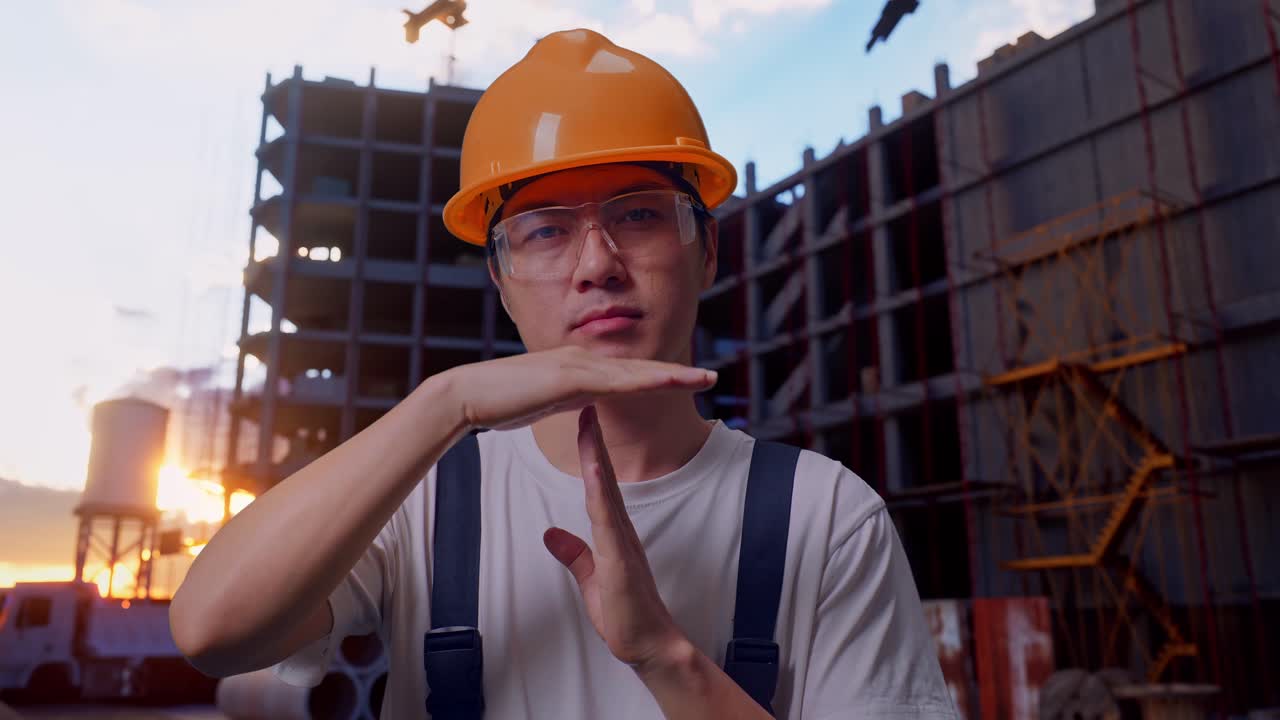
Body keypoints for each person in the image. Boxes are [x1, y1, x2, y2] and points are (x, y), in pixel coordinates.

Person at [170, 28, 958, 719]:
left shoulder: (827, 517)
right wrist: (446, 401)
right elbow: (212, 631)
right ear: (501, 280)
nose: (597, 265)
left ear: (708, 249)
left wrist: (665, 658)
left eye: (639, 214)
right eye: (546, 231)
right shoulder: (425, 501)